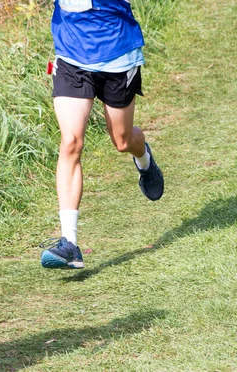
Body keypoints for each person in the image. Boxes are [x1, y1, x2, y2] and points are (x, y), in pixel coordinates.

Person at [40, 0, 164, 270]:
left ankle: (143, 158)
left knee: (122, 141)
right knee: (70, 141)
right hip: (71, 58)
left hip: (118, 56)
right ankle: (69, 243)